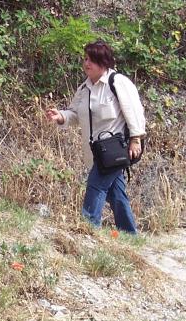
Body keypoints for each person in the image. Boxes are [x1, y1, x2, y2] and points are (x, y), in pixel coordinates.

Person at [44, 41, 146, 234]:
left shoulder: (118, 82)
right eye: (85, 59)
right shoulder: (84, 88)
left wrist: (135, 139)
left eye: (92, 60)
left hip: (116, 149)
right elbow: (75, 114)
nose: (86, 63)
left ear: (103, 62)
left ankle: (88, 231)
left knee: (95, 186)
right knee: (116, 193)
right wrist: (61, 116)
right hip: (95, 153)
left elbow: (135, 112)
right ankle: (130, 236)